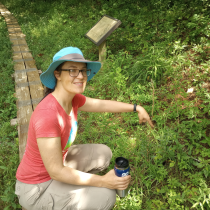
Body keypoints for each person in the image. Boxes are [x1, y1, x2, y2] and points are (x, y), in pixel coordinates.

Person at [15, 46, 154, 210]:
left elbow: (101, 104)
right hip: (37, 188)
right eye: (72, 70)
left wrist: (136, 108)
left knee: (103, 153)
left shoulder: (72, 99)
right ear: (57, 74)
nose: (80, 76)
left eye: (83, 70)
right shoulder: (48, 115)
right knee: (107, 196)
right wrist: (103, 182)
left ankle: (72, 190)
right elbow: (56, 172)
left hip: (56, 166)